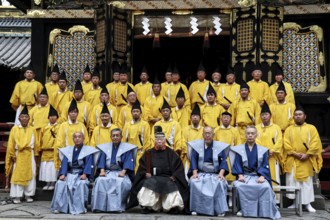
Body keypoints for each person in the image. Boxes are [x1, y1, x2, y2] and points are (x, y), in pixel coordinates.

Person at [127, 131, 189, 214]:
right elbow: (142, 168)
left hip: (168, 178)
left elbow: (179, 168)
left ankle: (172, 207)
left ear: (165, 140)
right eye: (157, 139)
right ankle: (148, 206)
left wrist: (174, 176)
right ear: (154, 140)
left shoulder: (171, 153)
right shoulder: (148, 153)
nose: (159, 141)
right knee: (148, 184)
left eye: (161, 139)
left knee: (172, 186)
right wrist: (146, 173)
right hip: (152, 177)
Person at [231, 125, 281, 219]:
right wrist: (240, 175)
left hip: (257, 176)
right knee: (240, 185)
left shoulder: (262, 150)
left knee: (265, 186)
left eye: (252, 133)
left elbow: (265, 165)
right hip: (244, 176)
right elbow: (237, 164)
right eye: (248, 133)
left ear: (256, 135)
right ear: (245, 135)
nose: (250, 135)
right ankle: (243, 209)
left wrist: (262, 176)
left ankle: (263, 210)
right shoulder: (239, 149)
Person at [283, 105, 323, 212]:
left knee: (306, 183)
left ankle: (307, 204)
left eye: (300, 115)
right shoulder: (289, 129)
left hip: (306, 159)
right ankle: (294, 202)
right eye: (296, 115)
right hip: (293, 159)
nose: (298, 117)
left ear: (305, 116)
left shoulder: (311, 128)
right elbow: (286, 144)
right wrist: (295, 153)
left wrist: (308, 154)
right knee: (292, 181)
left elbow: (316, 143)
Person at [51, 132, 98, 214]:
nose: (77, 138)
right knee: (60, 183)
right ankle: (60, 207)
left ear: (83, 139)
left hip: (81, 174)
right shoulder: (68, 150)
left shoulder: (87, 151)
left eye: (79, 137)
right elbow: (64, 163)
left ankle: (80, 207)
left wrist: (85, 174)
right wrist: (63, 174)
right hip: (70, 173)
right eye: (75, 137)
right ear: (73, 139)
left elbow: (89, 163)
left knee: (81, 184)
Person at [91, 128, 137, 212]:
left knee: (120, 182)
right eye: (113, 136)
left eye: (117, 135)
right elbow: (101, 160)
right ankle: (100, 207)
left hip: (121, 172)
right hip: (107, 172)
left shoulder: (126, 148)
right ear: (111, 137)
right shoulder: (105, 148)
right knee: (100, 181)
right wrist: (102, 170)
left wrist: (123, 171)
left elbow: (128, 161)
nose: (115, 137)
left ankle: (116, 207)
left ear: (121, 137)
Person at [188, 126, 229, 216]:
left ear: (213, 135)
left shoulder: (219, 147)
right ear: (202, 134)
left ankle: (219, 210)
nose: (207, 135)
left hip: (215, 174)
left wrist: (221, 174)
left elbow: (223, 162)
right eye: (205, 133)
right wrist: (194, 173)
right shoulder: (197, 146)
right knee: (194, 182)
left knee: (220, 183)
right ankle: (196, 209)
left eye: (209, 133)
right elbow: (193, 160)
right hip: (201, 173)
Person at [5, 105, 37, 204]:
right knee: (17, 175)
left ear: (29, 118)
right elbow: (11, 143)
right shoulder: (15, 129)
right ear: (19, 118)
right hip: (18, 154)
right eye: (22, 116)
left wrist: (36, 156)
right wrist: (12, 154)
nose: (24, 118)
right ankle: (17, 196)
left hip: (29, 153)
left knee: (31, 173)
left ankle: (28, 194)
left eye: (26, 116)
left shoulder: (33, 129)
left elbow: (36, 143)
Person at [54, 99, 89, 171]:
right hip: (67, 155)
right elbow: (59, 143)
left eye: (75, 112)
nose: (73, 114)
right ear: (68, 114)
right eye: (71, 112)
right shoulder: (63, 126)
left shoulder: (82, 126)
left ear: (77, 114)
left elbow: (86, 142)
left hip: (80, 155)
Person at [256, 102, 283, 192]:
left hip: (273, 157)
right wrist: (264, 152)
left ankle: (276, 201)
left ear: (270, 116)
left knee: (273, 177)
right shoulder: (257, 128)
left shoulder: (276, 128)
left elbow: (279, 141)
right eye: (262, 114)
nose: (264, 116)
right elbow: (256, 141)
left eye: (266, 114)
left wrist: (272, 150)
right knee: (260, 177)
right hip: (260, 157)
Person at [122, 100, 151, 172]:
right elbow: (124, 139)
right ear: (131, 113)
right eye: (134, 111)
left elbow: (147, 140)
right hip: (129, 152)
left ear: (140, 113)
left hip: (140, 152)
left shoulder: (145, 124)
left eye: (137, 111)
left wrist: (144, 152)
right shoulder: (127, 125)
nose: (135, 113)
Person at [39, 105, 59, 191]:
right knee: (46, 168)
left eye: (54, 116)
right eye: (50, 116)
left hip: (54, 152)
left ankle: (53, 183)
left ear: (57, 117)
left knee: (52, 168)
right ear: (48, 117)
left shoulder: (59, 127)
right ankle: (47, 183)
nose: (52, 118)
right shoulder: (44, 128)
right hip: (45, 151)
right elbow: (40, 138)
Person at [29, 87, 51, 155]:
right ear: (38, 99)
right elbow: (29, 122)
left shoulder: (51, 109)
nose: (42, 99)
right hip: (35, 132)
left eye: (44, 97)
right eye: (41, 97)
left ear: (47, 98)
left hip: (46, 132)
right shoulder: (33, 109)